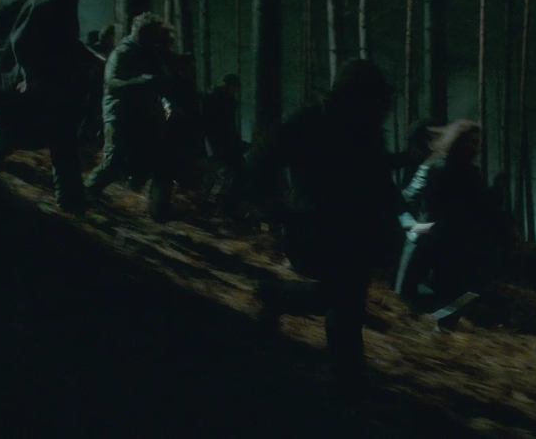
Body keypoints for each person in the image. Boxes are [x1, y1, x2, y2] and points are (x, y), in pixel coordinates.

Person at [250, 59, 404, 399]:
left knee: (346, 299)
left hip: (355, 229)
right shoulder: (311, 121)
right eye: (373, 95)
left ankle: (277, 296)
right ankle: (350, 384)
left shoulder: (366, 130)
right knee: (345, 300)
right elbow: (263, 157)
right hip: (314, 229)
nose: (381, 105)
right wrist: (273, 207)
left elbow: (375, 177)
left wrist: (395, 216)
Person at [0, 0, 95, 214]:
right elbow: (19, 42)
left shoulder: (63, 5)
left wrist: (94, 59)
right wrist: (30, 77)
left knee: (62, 138)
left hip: (53, 86)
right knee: (19, 133)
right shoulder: (44, 4)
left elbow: (68, 42)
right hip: (34, 85)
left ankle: (71, 201)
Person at [394, 120, 496, 313]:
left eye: (476, 142)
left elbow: (482, 212)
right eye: (469, 141)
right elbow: (404, 200)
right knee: (406, 296)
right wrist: (412, 227)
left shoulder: (473, 174)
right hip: (426, 240)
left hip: (456, 247)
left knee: (454, 299)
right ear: (456, 141)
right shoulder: (434, 167)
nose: (473, 147)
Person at [84, 12, 177, 221]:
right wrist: (142, 82)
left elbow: (161, 83)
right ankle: (85, 196)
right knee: (113, 162)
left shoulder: (151, 54)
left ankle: (158, 210)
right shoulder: (122, 53)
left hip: (145, 118)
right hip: (120, 115)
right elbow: (113, 84)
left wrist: (165, 101)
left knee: (164, 165)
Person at [202, 74, 247, 200]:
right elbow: (216, 124)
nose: (236, 90)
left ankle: (220, 198)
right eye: (234, 87)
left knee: (226, 171)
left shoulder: (227, 100)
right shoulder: (218, 100)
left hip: (224, 141)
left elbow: (230, 125)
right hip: (219, 142)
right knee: (223, 170)